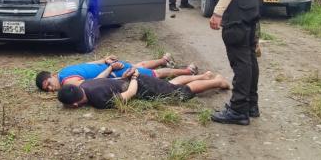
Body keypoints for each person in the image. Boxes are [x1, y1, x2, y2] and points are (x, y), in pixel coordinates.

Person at [57, 68, 230, 109]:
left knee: (180, 93)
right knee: (172, 85)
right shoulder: (85, 84)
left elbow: (130, 94)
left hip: (139, 84)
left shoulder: (99, 100)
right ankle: (204, 76)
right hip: (131, 78)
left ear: (75, 105)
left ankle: (217, 82)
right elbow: (102, 79)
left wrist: (134, 78)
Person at [35, 54, 199, 92]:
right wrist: (103, 60)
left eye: (48, 84)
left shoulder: (67, 81)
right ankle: (163, 59)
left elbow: (93, 83)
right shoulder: (64, 71)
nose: (50, 88)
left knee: (155, 75)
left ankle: (187, 71)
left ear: (52, 75)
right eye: (47, 89)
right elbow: (86, 64)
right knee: (140, 65)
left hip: (114, 71)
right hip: (111, 67)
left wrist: (108, 66)